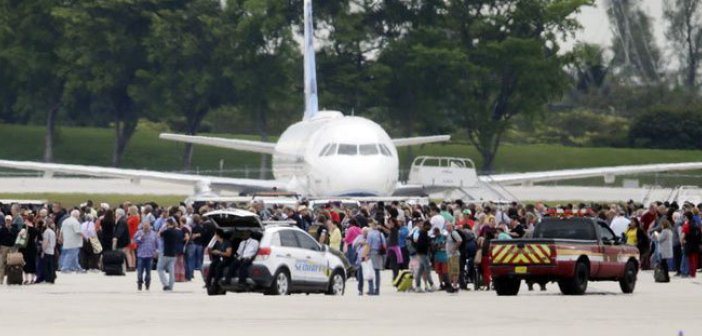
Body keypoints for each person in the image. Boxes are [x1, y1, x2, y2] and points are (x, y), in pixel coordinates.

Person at [134, 220, 158, 290]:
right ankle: (139, 283)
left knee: (148, 272)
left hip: (150, 255)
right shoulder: (139, 233)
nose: (146, 227)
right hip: (141, 255)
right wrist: (141, 237)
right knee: (140, 272)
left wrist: (156, 251)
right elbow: (135, 242)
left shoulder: (153, 234)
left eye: (147, 226)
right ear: (142, 226)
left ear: (150, 226)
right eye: (145, 226)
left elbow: (157, 244)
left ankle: (147, 284)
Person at [413, 221, 435, 292]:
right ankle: (432, 285)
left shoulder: (422, 232)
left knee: (420, 270)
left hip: (421, 253)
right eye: (429, 226)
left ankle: (418, 286)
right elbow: (423, 244)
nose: (430, 228)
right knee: (427, 269)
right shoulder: (424, 232)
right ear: (426, 226)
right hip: (423, 253)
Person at [157, 218, 178, 291]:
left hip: (165, 252)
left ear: (168, 223)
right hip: (173, 253)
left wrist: (163, 227)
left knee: (160, 268)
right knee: (171, 270)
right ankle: (171, 285)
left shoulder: (166, 231)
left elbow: (159, 235)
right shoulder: (176, 231)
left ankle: (165, 284)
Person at [366, 221, 386, 295]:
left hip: (372, 253)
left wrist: (366, 255)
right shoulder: (381, 234)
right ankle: (377, 289)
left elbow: (368, 245)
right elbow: (384, 244)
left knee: (370, 272)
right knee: (377, 272)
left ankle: (371, 289)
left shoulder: (370, 234)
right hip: (379, 253)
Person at [19, 215, 39, 284]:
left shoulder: (24, 227)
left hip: (25, 247)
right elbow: (37, 238)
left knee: (25, 263)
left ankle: (26, 279)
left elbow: (20, 234)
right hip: (33, 247)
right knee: (32, 263)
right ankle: (33, 279)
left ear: (27, 220)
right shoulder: (35, 229)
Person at [680, 212, 701, 278]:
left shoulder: (686, 225)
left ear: (687, 217)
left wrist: (682, 244)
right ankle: (693, 274)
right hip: (696, 245)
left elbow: (682, 237)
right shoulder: (697, 224)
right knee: (694, 260)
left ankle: (687, 273)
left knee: (687, 260)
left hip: (688, 244)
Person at [352, 228, 372, 295]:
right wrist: (359, 243)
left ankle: (370, 289)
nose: (365, 233)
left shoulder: (370, 237)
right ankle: (360, 289)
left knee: (369, 274)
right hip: (360, 258)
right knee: (360, 275)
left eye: (366, 232)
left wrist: (366, 243)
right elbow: (353, 244)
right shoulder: (359, 237)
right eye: (364, 232)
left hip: (368, 258)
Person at [0, 215, 18, 285]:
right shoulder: (2, 229)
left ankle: (10, 279)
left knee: (11, 264)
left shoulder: (14, 229)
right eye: (7, 220)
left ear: (11, 221)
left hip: (12, 247)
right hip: (4, 247)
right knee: (2, 264)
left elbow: (17, 237)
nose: (8, 222)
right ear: (5, 221)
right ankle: (1, 279)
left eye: (9, 220)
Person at [445, 223, 463, 292]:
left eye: (448, 226)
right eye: (446, 226)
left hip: (454, 255)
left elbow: (459, 240)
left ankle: (455, 285)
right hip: (449, 255)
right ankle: (451, 285)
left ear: (452, 227)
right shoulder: (448, 234)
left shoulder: (454, 233)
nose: (447, 227)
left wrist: (454, 249)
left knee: (455, 270)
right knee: (450, 271)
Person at [126, 205, 140, 271]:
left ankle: (130, 265)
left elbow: (128, 223)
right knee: (132, 251)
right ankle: (133, 265)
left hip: (131, 235)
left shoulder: (133, 218)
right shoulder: (136, 217)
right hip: (133, 235)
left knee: (128, 251)